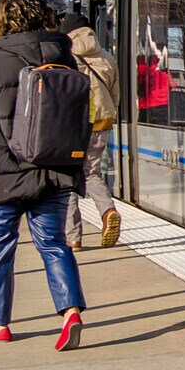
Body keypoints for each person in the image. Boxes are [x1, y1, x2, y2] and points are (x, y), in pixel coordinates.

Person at [0, 0, 88, 349]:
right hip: (55, 165)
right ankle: (70, 311)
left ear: (3, 17)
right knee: (53, 243)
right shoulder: (64, 53)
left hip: (4, 166)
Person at [58, 14, 122, 250]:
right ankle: (107, 210)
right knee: (91, 173)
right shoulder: (106, 56)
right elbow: (115, 95)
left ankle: (73, 237)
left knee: (68, 178)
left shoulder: (64, 56)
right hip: (102, 122)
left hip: (73, 125)